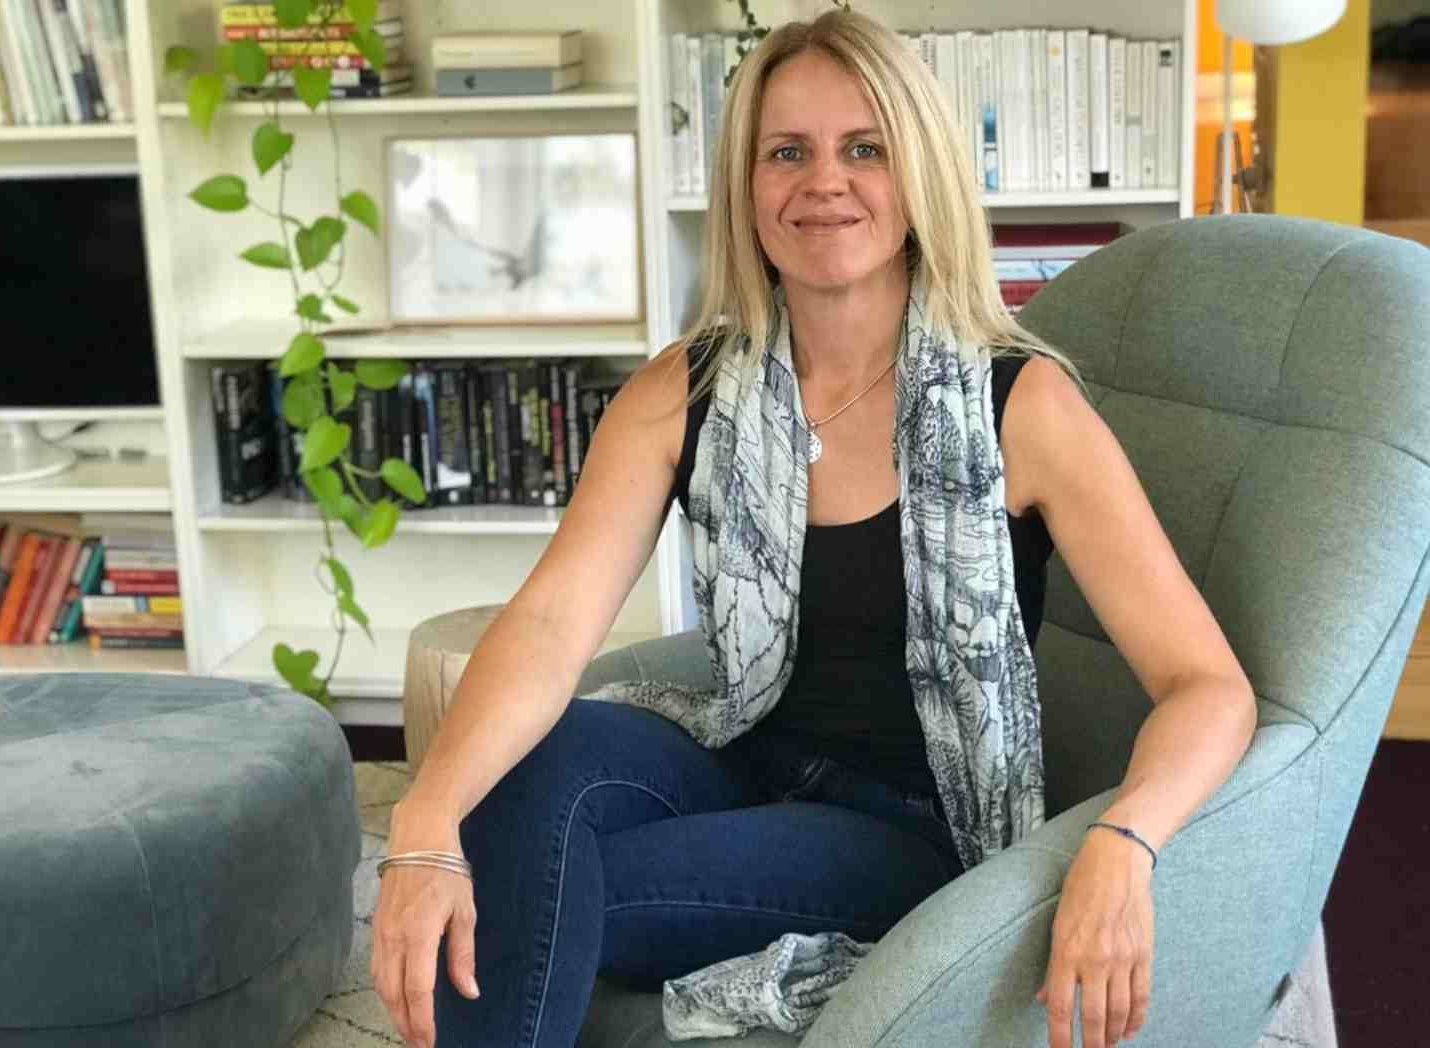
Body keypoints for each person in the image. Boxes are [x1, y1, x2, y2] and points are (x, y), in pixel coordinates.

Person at [370, 9, 1258, 1048]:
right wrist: (422, 820)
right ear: (747, 187)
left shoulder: (1022, 407)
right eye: (786, 151)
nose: (822, 182)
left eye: (863, 149)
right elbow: (549, 622)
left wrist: (1123, 838)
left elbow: (1209, 686)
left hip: (908, 828)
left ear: (916, 174)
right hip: (736, 752)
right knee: (511, 782)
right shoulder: (682, 392)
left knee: (543, 881)